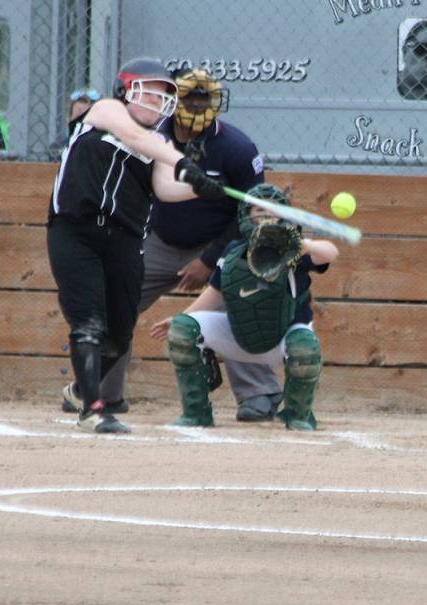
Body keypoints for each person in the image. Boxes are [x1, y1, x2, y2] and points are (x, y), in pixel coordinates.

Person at [69, 67, 284, 423]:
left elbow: (249, 216)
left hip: (220, 243)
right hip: (161, 240)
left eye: (204, 98)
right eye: (189, 98)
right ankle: (102, 392)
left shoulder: (237, 148)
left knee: (241, 295)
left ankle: (259, 392)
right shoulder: (152, 135)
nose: (197, 106)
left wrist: (210, 259)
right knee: (114, 300)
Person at [47, 57, 226, 434]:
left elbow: (165, 188)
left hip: (124, 240)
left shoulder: (160, 144)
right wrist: (185, 164)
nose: (157, 102)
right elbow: (136, 138)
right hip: (76, 231)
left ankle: (80, 390)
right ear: (126, 91)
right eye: (150, 93)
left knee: (119, 332)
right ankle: (93, 409)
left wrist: (205, 188)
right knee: (89, 322)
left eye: (163, 97)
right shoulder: (105, 111)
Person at [148, 183, 338, 431]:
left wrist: (305, 245)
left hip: (283, 340)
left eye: (273, 209)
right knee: (184, 328)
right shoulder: (233, 251)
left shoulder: (294, 250)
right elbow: (214, 294)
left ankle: (298, 416)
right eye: (258, 209)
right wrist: (181, 318)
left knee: (305, 346)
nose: (266, 214)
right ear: (246, 215)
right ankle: (196, 413)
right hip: (239, 335)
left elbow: (330, 252)